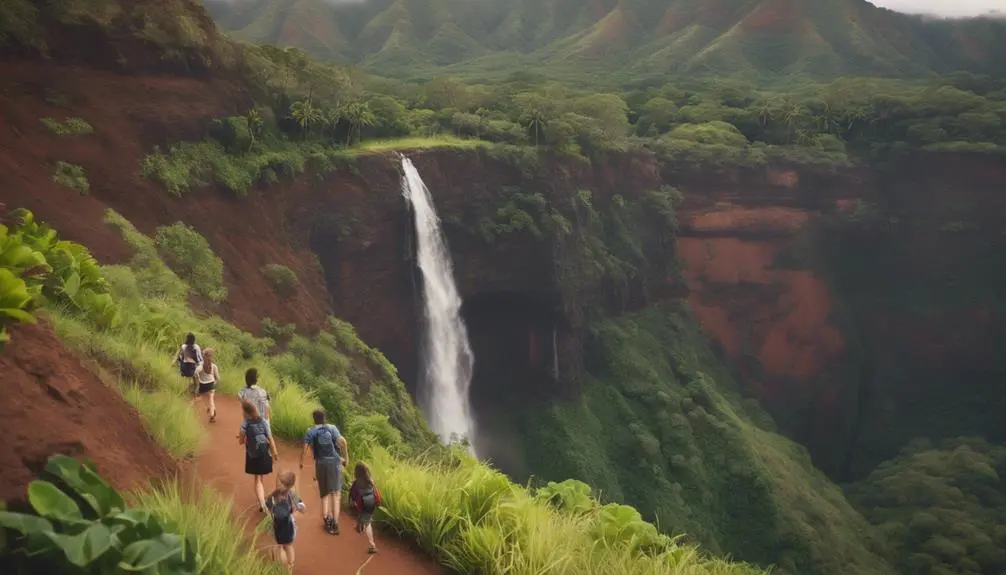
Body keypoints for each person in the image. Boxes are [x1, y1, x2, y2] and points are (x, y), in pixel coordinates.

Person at [299, 409, 348, 535]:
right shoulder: (332, 428)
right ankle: (335, 524)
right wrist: (345, 458)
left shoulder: (312, 431)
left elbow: (305, 446)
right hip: (335, 463)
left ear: (314, 419)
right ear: (324, 417)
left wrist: (301, 461)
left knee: (324, 493)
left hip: (321, 463)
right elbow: (343, 442)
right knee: (336, 495)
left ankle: (326, 518)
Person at [239, 400, 279, 512]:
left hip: (252, 454)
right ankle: (262, 501)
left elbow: (241, 441)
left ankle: (262, 504)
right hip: (264, 453)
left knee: (257, 479)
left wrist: (242, 437)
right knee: (260, 478)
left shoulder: (245, 424)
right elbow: (270, 439)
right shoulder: (264, 421)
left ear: (245, 412)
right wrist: (275, 453)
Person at [266, 471, 306, 573]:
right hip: (275, 526)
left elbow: (302, 507)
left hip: (288, 526)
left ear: (288, 485)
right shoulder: (273, 495)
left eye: (281, 483)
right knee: (276, 546)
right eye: (278, 481)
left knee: (287, 546)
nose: (278, 484)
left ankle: (290, 566)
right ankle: (277, 565)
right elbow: (267, 506)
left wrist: (295, 511)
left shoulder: (292, 495)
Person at [349, 461, 381, 555]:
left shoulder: (356, 483)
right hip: (371, 504)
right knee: (365, 518)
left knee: (367, 523)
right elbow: (376, 493)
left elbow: (353, 496)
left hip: (362, 504)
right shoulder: (371, 481)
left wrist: (352, 503)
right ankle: (360, 525)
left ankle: (372, 544)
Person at [194, 348, 219, 423]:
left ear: (203, 356)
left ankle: (211, 409)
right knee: (211, 399)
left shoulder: (201, 365)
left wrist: (198, 380)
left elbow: (195, 372)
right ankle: (212, 414)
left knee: (202, 398)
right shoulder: (214, 366)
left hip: (202, 384)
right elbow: (218, 378)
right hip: (211, 383)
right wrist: (215, 383)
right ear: (212, 356)